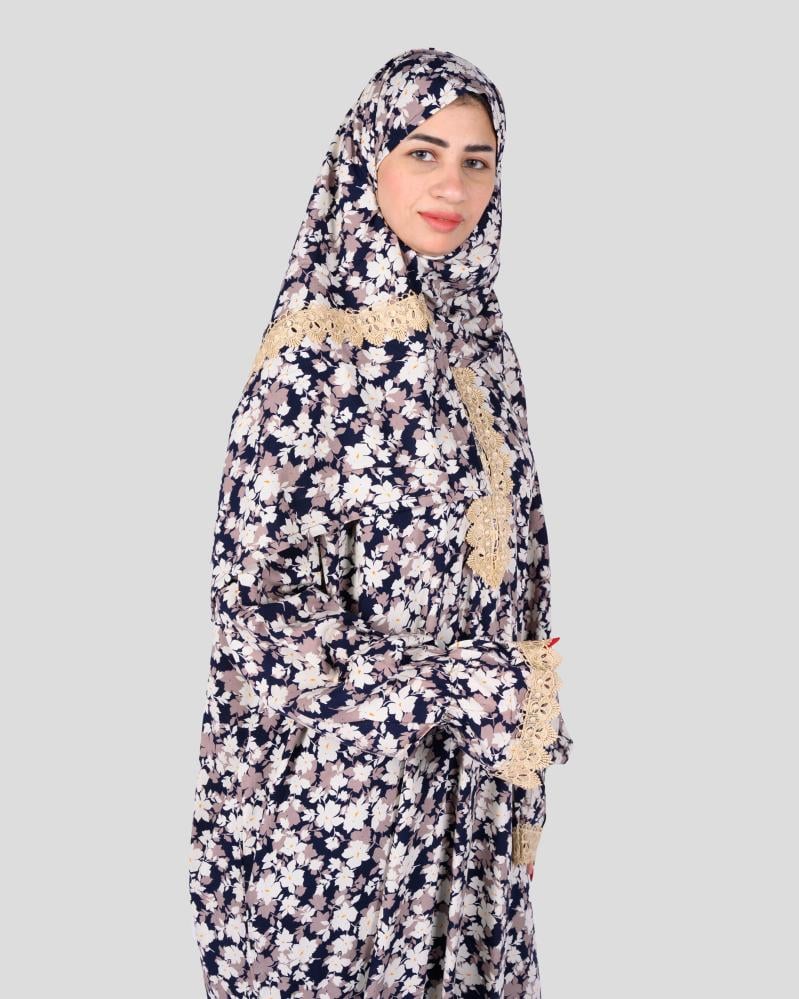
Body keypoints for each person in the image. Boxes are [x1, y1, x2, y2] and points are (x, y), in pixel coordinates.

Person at [188, 46, 573, 998]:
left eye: (477, 161)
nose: (452, 186)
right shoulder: (311, 357)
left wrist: (516, 730)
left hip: (464, 810)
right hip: (336, 817)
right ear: (367, 158)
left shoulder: (480, 341)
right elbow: (256, 621)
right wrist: (457, 685)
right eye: (422, 152)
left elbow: (517, 561)